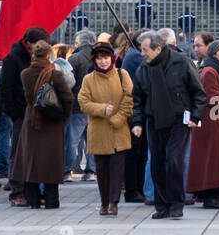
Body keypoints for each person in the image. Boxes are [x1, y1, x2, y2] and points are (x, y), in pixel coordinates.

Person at [131, 31, 206, 219]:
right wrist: (138, 122)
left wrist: (195, 117)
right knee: (156, 162)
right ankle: (161, 205)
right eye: (141, 50)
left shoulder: (181, 62)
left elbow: (199, 93)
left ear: (158, 48)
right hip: (154, 120)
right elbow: (137, 98)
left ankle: (176, 204)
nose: (142, 54)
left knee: (174, 160)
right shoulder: (144, 68)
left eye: (145, 50)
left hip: (180, 119)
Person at [14, 38, 74, 209]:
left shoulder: (25, 74)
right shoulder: (55, 73)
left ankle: (33, 201)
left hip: (31, 119)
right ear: (49, 54)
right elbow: (67, 97)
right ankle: (51, 201)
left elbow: (28, 98)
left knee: (31, 161)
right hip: (52, 122)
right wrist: (63, 115)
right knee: (51, 163)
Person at [77, 40, 132, 216]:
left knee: (117, 168)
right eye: (99, 58)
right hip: (99, 130)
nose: (103, 61)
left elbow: (129, 99)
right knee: (102, 169)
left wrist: (118, 118)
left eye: (106, 57)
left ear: (112, 58)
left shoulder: (122, 75)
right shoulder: (88, 79)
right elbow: (83, 102)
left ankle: (114, 202)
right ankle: (104, 202)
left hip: (118, 129)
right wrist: (101, 109)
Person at [0, 27, 48, 207]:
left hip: (36, 112)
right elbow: (6, 87)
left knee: (33, 153)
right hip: (21, 112)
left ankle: (30, 190)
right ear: (28, 43)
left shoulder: (38, 58)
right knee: (18, 152)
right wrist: (14, 113)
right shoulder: (14, 58)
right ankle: (16, 191)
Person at [187, 40, 219, 210]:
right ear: (214, 53)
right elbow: (212, 100)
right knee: (213, 159)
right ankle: (212, 197)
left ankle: (213, 196)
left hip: (217, 120)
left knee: (215, 159)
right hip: (212, 121)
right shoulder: (210, 72)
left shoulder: (217, 70)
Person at [121, 30, 152, 205]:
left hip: (139, 108)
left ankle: (138, 188)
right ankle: (133, 190)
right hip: (135, 110)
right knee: (134, 152)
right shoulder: (136, 56)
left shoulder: (133, 54)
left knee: (140, 153)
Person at [67, 30, 97, 179]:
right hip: (95, 105)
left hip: (77, 105)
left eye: (77, 43)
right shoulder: (99, 57)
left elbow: (68, 82)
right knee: (91, 140)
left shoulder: (75, 58)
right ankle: (91, 170)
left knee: (72, 140)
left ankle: (68, 170)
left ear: (82, 43)